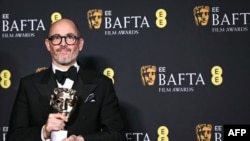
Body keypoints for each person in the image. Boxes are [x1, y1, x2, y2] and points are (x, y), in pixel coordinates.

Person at [7, 18, 125, 141]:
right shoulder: (28, 85)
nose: (63, 44)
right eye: (57, 38)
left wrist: (82, 140)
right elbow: (14, 136)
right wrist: (44, 132)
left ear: (80, 44)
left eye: (70, 37)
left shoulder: (102, 84)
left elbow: (117, 136)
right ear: (48, 44)